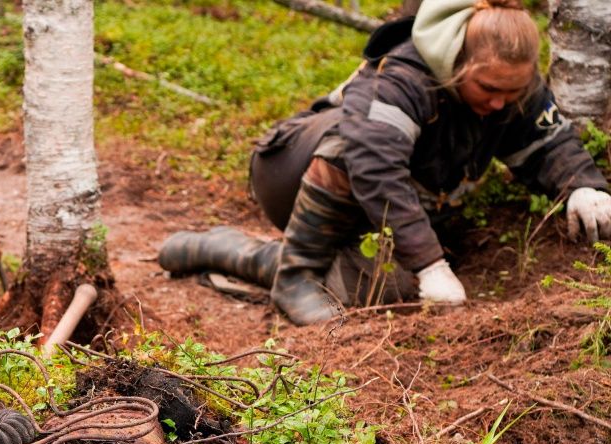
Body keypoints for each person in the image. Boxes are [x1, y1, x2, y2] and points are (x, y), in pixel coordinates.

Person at [159, 0, 611, 326]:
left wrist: (582, 186)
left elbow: (548, 143)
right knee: (355, 146)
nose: (500, 102)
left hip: (384, 205)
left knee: (394, 288)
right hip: (293, 174)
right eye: (488, 88)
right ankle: (294, 274)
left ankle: (230, 250)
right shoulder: (401, 77)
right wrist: (431, 264)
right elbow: (373, 166)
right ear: (457, 63)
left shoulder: (510, 88)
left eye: (512, 93)